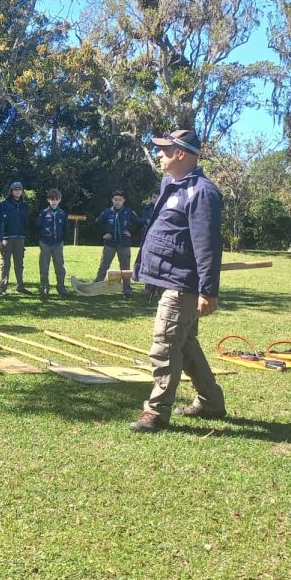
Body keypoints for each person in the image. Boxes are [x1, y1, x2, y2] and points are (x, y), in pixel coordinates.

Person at [130, 130, 226, 433]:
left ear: (181, 153)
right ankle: (210, 401)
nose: (159, 154)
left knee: (165, 344)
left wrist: (207, 290)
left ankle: (156, 412)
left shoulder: (203, 192)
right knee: (183, 344)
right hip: (168, 278)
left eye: (165, 149)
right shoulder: (170, 184)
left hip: (184, 283)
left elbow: (207, 245)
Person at [94, 189, 139, 299]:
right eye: (115, 199)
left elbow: (140, 223)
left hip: (124, 244)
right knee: (104, 265)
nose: (117, 202)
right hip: (110, 243)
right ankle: (96, 287)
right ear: (112, 200)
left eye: (120, 199)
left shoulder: (129, 212)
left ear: (124, 200)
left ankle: (127, 290)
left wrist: (131, 232)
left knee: (125, 267)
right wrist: (104, 234)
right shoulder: (107, 212)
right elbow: (97, 223)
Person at [0, 181, 30, 294]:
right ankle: (2, 288)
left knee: (19, 264)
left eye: (19, 189)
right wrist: (0, 237)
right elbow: (0, 222)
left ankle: (20, 286)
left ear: (22, 191)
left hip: (20, 237)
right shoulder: (4, 204)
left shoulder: (25, 205)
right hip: (7, 238)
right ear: (11, 191)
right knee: (5, 264)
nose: (17, 191)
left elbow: (26, 221)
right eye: (15, 189)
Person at [37, 188, 68, 298]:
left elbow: (65, 228)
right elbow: (38, 226)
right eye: (52, 199)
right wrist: (41, 240)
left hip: (58, 243)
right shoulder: (44, 213)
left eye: (56, 199)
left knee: (59, 265)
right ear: (48, 200)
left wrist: (62, 240)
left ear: (60, 200)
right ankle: (44, 287)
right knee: (44, 266)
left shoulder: (62, 213)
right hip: (45, 242)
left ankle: (61, 287)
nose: (54, 201)